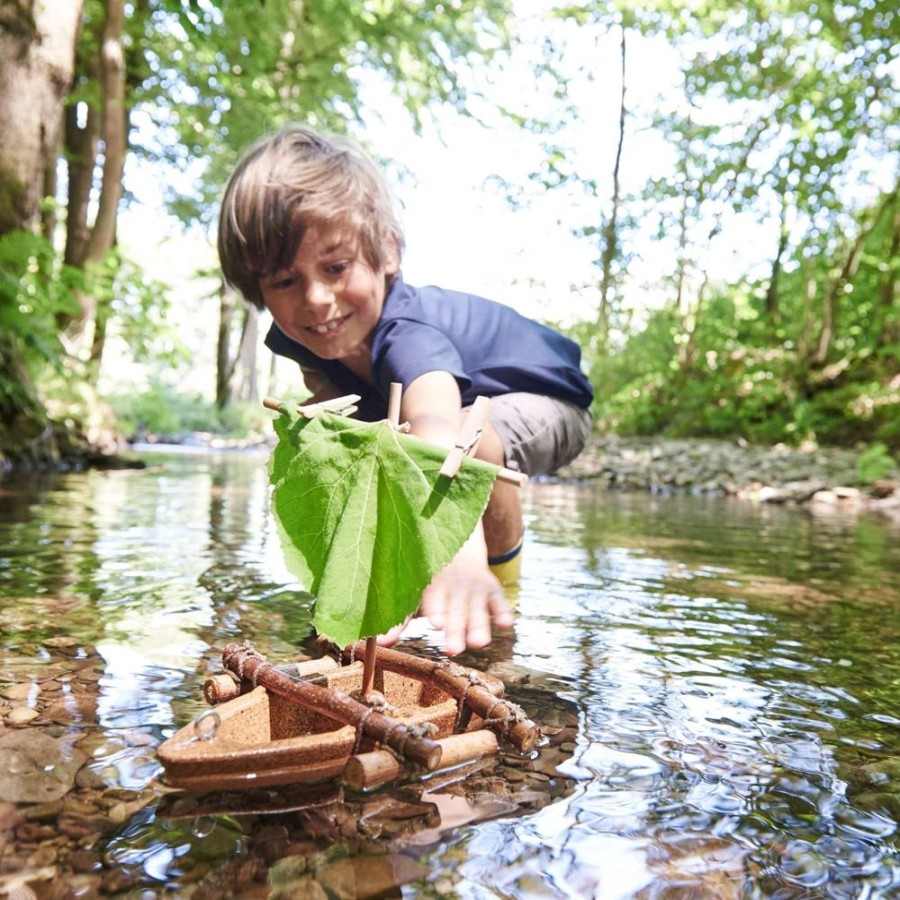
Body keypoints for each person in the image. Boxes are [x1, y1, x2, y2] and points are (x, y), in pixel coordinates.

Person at [218, 124, 594, 655]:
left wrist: (453, 551)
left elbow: (439, 423)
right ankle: (409, 590)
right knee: (354, 437)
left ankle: (493, 595)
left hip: (546, 402)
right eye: (284, 281)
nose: (316, 298)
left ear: (388, 252)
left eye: (336, 266)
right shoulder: (296, 336)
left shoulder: (406, 332)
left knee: (469, 434)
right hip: (456, 409)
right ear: (257, 287)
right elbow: (340, 406)